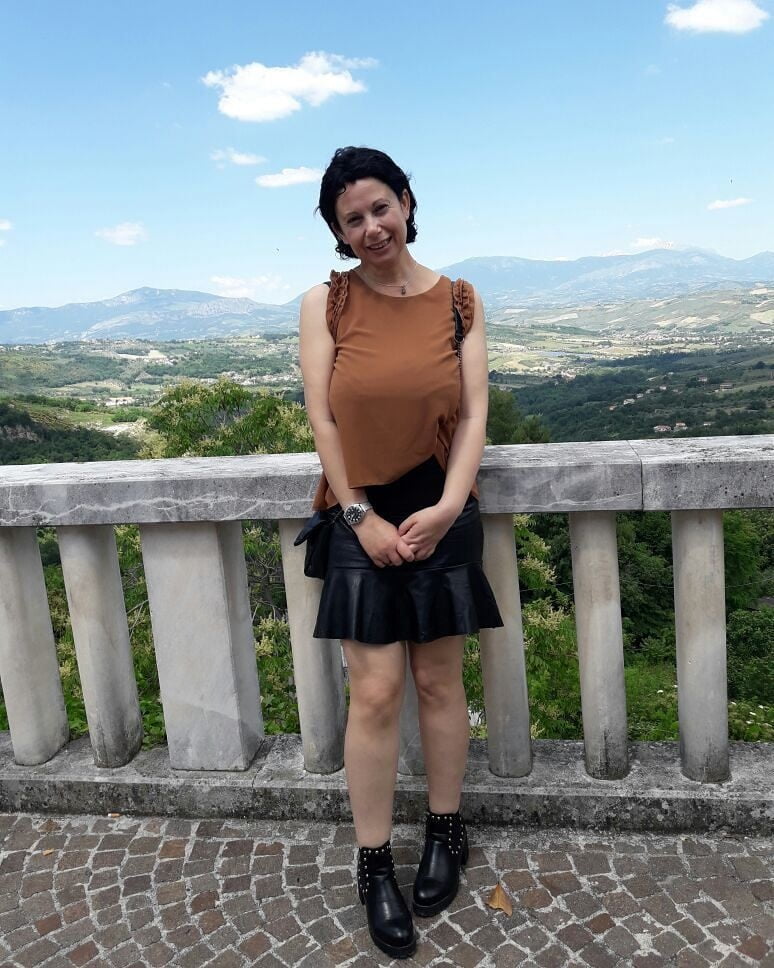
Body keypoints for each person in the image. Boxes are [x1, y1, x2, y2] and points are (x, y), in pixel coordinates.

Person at [298, 146, 503, 960]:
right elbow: (322, 417)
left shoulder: (458, 299)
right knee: (377, 692)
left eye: (381, 207)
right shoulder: (326, 303)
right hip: (358, 512)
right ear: (339, 231)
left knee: (438, 680)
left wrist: (449, 506)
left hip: (442, 507)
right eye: (353, 218)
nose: (372, 226)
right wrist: (359, 515)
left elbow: (476, 410)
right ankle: (374, 862)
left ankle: (446, 831)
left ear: (408, 203)